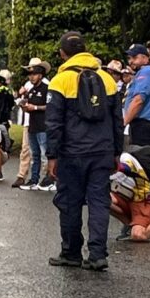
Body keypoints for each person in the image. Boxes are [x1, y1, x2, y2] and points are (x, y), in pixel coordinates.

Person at [47, 31, 123, 272]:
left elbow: (54, 123)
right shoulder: (108, 79)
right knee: (99, 202)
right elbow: (117, 121)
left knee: (69, 203)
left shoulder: (60, 81)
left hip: (71, 153)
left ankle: (71, 252)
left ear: (62, 53)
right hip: (102, 151)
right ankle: (98, 254)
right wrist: (116, 152)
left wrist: (52, 155)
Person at [123, 43, 150, 147]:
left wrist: (124, 123)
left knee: (143, 158)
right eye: (129, 58)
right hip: (142, 124)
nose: (131, 61)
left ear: (145, 58)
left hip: (145, 124)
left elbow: (138, 100)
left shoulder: (146, 71)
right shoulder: (141, 73)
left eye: (135, 57)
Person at [19, 63, 52, 191]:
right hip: (32, 126)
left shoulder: (47, 89)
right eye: (30, 75)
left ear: (41, 75)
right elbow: (29, 106)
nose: (31, 77)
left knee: (45, 154)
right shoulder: (31, 90)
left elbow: (51, 106)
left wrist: (36, 107)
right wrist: (25, 107)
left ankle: (49, 179)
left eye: (34, 74)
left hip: (43, 126)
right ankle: (34, 179)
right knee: (35, 155)